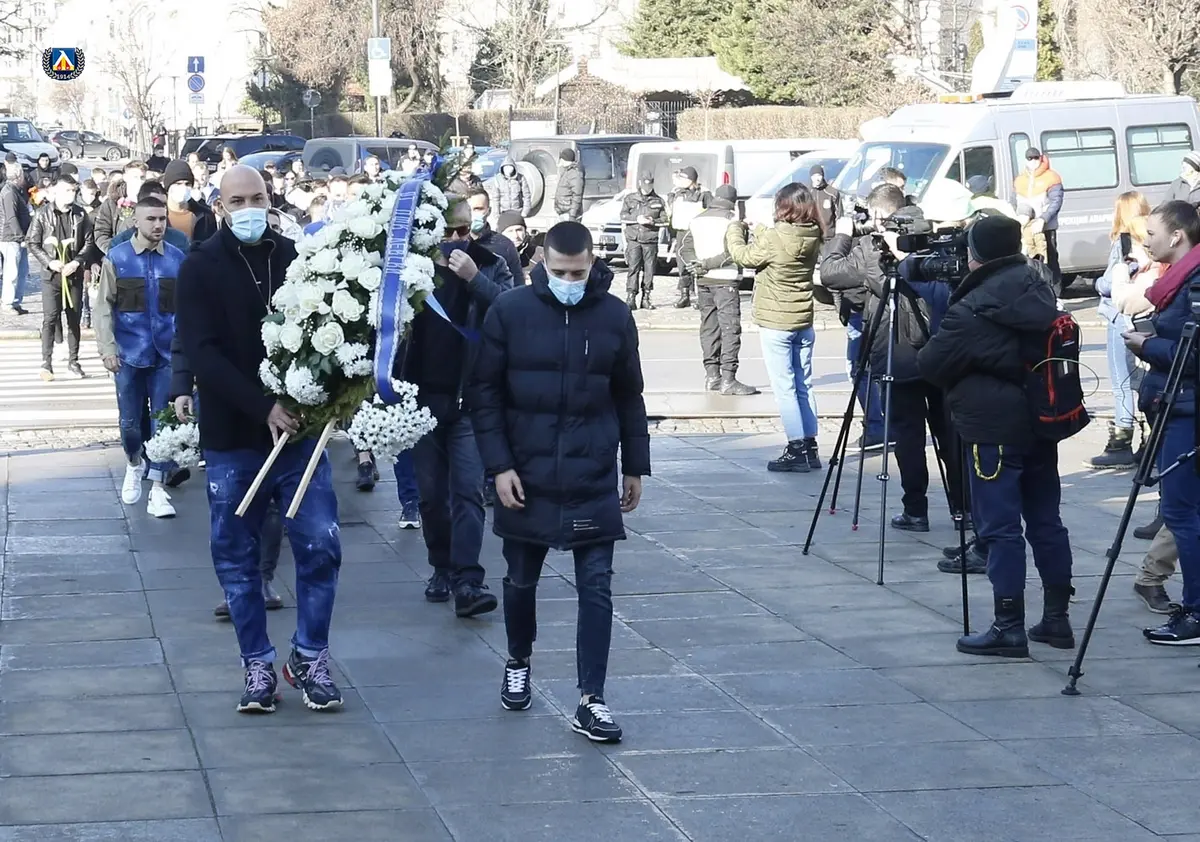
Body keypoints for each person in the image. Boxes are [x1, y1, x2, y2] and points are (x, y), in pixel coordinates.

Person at [469, 221, 650, 743]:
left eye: (578, 272)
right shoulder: (510, 311)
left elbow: (629, 395)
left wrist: (635, 465)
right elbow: (485, 395)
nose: (570, 281)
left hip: (591, 473)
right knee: (520, 580)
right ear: (542, 264)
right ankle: (518, 660)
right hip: (526, 475)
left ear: (593, 263)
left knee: (597, 587)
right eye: (560, 272)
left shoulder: (615, 316)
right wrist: (499, 466)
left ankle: (592, 698)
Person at [176, 165, 343, 712]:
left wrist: (331, 390)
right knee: (235, 555)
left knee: (320, 544)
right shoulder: (200, 266)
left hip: (299, 433)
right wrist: (261, 406)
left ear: (270, 199)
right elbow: (202, 353)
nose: (249, 209)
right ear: (220, 207)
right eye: (237, 201)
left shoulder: (296, 258)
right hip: (234, 436)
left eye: (257, 198)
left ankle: (309, 656)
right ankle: (256, 663)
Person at [917, 214, 1074, 658]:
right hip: (1040, 420)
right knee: (1046, 520)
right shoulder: (1037, 285)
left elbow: (931, 364)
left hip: (992, 429)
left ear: (975, 256)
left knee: (1000, 529)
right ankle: (1057, 618)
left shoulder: (972, 307)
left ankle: (1008, 625)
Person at [821, 184, 965, 533]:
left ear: (878, 214)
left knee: (908, 437)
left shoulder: (874, 248)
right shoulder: (932, 236)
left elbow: (830, 272)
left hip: (898, 355)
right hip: (941, 353)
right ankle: (966, 510)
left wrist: (843, 235)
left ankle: (916, 511)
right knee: (950, 434)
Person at [397, 195, 512, 616]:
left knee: (467, 491)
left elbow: (512, 311)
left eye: (463, 230)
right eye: (446, 231)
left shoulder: (491, 263)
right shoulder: (413, 268)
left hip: (470, 399)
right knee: (430, 496)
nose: (455, 239)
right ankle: (441, 566)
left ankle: (468, 579)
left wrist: (474, 279)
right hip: (424, 398)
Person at [1124, 201, 1200, 645]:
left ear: (1177, 235)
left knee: (1181, 513)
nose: (1146, 240)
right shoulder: (1179, 278)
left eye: (1151, 233)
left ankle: (1194, 611)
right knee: (1185, 513)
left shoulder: (1193, 281)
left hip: (1186, 411)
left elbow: (1192, 354)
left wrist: (1146, 345)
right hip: (1175, 405)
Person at [94, 195, 184, 518]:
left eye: (162, 219)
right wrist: (107, 348)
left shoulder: (176, 259)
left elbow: (185, 310)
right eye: (151, 219)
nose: (158, 225)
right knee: (130, 422)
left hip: (166, 355)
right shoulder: (117, 258)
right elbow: (103, 307)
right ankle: (134, 463)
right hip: (128, 355)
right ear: (136, 221)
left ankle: (158, 488)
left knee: (163, 422)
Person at [726, 183, 823, 472]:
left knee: (785, 388)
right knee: (804, 384)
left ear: (783, 208)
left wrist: (735, 228)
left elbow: (744, 256)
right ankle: (810, 445)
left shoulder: (774, 237)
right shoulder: (813, 234)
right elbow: (779, 243)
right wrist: (760, 229)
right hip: (803, 320)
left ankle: (796, 448)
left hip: (776, 322)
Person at [1090, 192, 1153, 469]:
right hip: (1146, 313)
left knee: (1121, 381)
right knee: (1144, 376)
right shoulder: (1153, 236)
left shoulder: (1123, 241)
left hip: (1120, 315)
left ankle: (1121, 442)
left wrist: (1097, 284)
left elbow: (1108, 284)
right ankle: (1151, 436)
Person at [676, 184, 756, 396]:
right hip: (725, 280)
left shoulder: (697, 219)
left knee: (709, 328)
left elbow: (684, 248)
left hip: (703, 281)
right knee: (730, 329)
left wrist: (696, 264)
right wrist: (708, 264)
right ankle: (728, 379)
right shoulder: (731, 221)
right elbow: (734, 253)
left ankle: (712, 376)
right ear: (733, 202)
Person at [27, 175, 93, 382]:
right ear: (55, 192)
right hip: (51, 275)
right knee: (50, 317)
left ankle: (73, 361)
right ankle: (46, 362)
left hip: (73, 274)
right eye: (67, 190)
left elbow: (89, 242)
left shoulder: (80, 214)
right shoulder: (43, 214)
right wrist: (49, 262)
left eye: (73, 190)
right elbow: (33, 242)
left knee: (74, 317)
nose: (71, 194)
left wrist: (77, 262)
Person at [1014, 147, 1064, 287]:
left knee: (1050, 261)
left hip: (1046, 227)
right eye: (1030, 158)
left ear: (1041, 158)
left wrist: (1043, 219)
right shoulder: (1020, 180)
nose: (1033, 161)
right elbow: (1016, 201)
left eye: (1036, 158)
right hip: (1027, 229)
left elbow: (1056, 201)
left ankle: (1055, 293)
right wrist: (1021, 217)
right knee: (1029, 260)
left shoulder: (1052, 177)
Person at [620, 174, 667, 311]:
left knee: (649, 270)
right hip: (634, 239)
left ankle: (646, 297)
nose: (647, 189)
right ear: (640, 183)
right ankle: (631, 297)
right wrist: (637, 218)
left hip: (650, 240)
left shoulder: (658, 201)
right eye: (645, 186)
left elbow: (665, 220)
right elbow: (623, 216)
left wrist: (653, 221)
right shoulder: (630, 198)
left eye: (649, 186)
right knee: (633, 268)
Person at [667, 166, 709, 309]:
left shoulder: (704, 193)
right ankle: (685, 295)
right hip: (681, 232)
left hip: (697, 233)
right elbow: (670, 212)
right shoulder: (677, 193)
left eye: (684, 178)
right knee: (682, 265)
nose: (681, 181)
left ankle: (701, 296)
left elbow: (710, 210)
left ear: (691, 179)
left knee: (697, 264)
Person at [466, 188, 524, 286]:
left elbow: (518, 286)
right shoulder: (455, 242)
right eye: (468, 209)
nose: (473, 214)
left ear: (489, 211)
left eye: (478, 209)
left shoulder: (505, 245)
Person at [94, 161, 147, 255]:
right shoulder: (111, 203)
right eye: (135, 177)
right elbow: (101, 233)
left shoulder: (150, 201)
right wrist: (114, 252)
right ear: (125, 177)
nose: (139, 181)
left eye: (142, 177)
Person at [161, 160, 218, 245]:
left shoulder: (205, 216)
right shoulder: (157, 215)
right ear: (168, 187)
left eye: (187, 184)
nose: (183, 187)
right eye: (178, 183)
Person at [0, 161, 31, 315]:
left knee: (21, 271)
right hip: (11, 238)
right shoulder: (9, 193)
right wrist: (20, 236)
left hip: (17, 237)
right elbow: (11, 217)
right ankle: (7, 303)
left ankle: (16, 301)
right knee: (11, 272)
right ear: (19, 176)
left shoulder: (15, 191)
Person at [484, 157, 532, 223]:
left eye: (510, 167)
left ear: (514, 168)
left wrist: (525, 211)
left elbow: (527, 195)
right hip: (504, 212)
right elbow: (496, 198)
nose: (508, 169)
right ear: (502, 168)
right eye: (506, 167)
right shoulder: (497, 179)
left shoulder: (520, 178)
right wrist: (496, 214)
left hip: (518, 212)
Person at [498, 210, 539, 277]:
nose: (516, 236)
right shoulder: (494, 256)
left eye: (519, 230)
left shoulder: (539, 255)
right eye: (510, 231)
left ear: (525, 231)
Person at [554, 148, 584, 222]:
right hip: (563, 211)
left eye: (562, 158)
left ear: (565, 159)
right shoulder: (567, 171)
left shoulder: (575, 174)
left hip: (569, 213)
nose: (560, 160)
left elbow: (577, 195)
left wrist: (572, 215)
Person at [810, 165, 840, 238]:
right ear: (811, 177)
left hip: (829, 235)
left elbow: (839, 215)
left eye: (819, 175)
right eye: (814, 176)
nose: (816, 179)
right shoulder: (807, 192)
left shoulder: (832, 193)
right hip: (812, 235)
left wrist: (837, 233)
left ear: (823, 176)